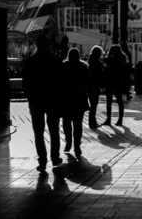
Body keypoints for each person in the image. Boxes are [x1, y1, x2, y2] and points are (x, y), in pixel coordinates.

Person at [22, 34, 64, 172]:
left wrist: (30, 98)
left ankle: (42, 160)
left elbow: (26, 83)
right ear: (49, 46)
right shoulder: (56, 61)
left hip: (36, 101)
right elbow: (61, 83)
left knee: (38, 132)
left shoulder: (30, 62)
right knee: (54, 130)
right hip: (53, 101)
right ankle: (55, 157)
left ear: (37, 46)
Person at [61, 48, 94, 159]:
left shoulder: (64, 66)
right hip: (80, 98)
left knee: (66, 122)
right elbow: (89, 84)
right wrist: (92, 98)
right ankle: (77, 145)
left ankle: (68, 142)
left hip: (66, 98)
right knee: (78, 123)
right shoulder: (83, 67)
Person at [104, 44, 128, 127]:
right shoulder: (121, 57)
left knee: (116, 100)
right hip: (114, 81)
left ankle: (116, 118)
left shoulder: (119, 58)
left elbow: (116, 66)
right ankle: (111, 119)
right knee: (113, 101)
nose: (113, 52)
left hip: (115, 80)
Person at [86, 46, 105, 128]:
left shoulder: (90, 61)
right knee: (94, 104)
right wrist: (102, 85)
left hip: (90, 85)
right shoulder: (96, 63)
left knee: (92, 103)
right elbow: (99, 75)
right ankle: (92, 122)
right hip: (95, 85)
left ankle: (92, 121)